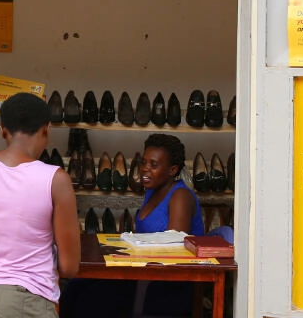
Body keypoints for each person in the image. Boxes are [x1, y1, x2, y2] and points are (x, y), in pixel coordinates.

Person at [0, 92, 80, 318]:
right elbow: (69, 267)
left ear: (2, 129)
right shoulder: (56, 179)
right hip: (30, 301)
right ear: (46, 130)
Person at [60, 134, 204, 318]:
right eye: (143, 162)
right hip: (143, 272)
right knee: (77, 285)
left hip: (165, 284)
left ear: (172, 170)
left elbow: (173, 251)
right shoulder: (153, 190)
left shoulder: (180, 197)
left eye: (153, 165)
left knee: (89, 299)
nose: (144, 169)